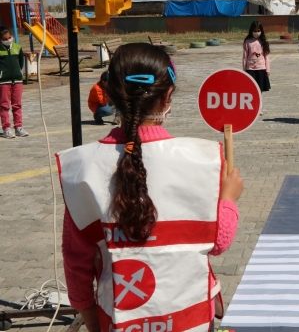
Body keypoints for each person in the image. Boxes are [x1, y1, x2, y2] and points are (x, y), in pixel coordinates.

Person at [59, 43, 244, 332]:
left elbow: (76, 262)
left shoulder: (81, 167)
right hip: (190, 319)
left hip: (117, 320)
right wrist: (229, 199)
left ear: (108, 94)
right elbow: (219, 241)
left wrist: (93, 321)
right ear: (168, 96)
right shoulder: (201, 160)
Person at [0, 27, 28, 138]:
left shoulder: (17, 47)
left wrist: (17, 73)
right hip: (3, 82)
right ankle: (6, 128)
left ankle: (18, 127)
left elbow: (21, 62)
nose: (8, 40)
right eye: (5, 38)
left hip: (17, 80)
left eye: (9, 37)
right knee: (4, 106)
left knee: (17, 105)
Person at [242, 21, 271, 93]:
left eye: (258, 31)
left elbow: (266, 57)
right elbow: (245, 56)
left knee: (259, 89)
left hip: (261, 69)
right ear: (251, 31)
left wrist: (268, 69)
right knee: (251, 89)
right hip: (250, 69)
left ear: (261, 31)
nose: (257, 33)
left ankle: (259, 102)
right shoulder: (247, 41)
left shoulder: (263, 42)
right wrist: (244, 69)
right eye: (255, 31)